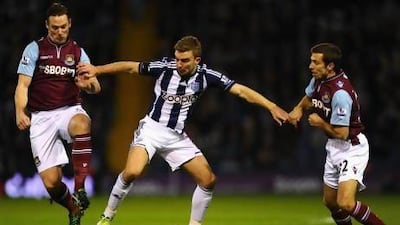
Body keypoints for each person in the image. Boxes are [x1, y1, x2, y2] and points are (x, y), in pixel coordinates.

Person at [77, 35, 288, 225]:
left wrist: (271, 106)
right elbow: (130, 67)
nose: (179, 64)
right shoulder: (165, 68)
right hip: (152, 129)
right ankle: (107, 216)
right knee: (132, 171)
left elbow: (241, 91)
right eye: (177, 59)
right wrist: (97, 69)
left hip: (176, 137)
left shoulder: (207, 76)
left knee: (208, 180)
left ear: (197, 60)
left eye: (184, 60)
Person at [14, 3, 101, 225]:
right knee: (52, 184)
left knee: (82, 123)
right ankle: (73, 208)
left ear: (69, 24)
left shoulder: (79, 52)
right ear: (47, 25)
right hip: (41, 117)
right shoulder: (34, 49)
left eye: (63, 26)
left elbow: (95, 86)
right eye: (54, 28)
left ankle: (80, 189)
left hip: (69, 110)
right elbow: (23, 85)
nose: (59, 31)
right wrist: (19, 112)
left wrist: (86, 85)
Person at [288, 43, 385, 225]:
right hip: (334, 146)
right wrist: (298, 109)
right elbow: (309, 97)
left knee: (346, 203)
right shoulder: (319, 79)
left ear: (330, 66)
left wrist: (320, 123)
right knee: (331, 202)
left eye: (315, 62)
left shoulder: (340, 94)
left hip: (351, 147)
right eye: (311, 61)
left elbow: (342, 133)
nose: (310, 66)